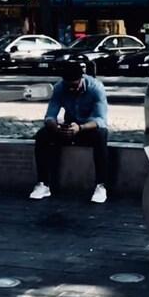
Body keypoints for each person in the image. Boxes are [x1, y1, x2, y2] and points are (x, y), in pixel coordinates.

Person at [30, 64, 109, 204]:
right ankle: (43, 184)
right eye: (68, 86)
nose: (71, 89)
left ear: (81, 78)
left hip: (88, 128)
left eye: (74, 85)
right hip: (68, 127)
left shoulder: (96, 88)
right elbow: (49, 116)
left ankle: (100, 185)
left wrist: (81, 127)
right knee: (42, 135)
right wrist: (56, 127)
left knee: (100, 135)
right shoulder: (60, 88)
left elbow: (101, 120)